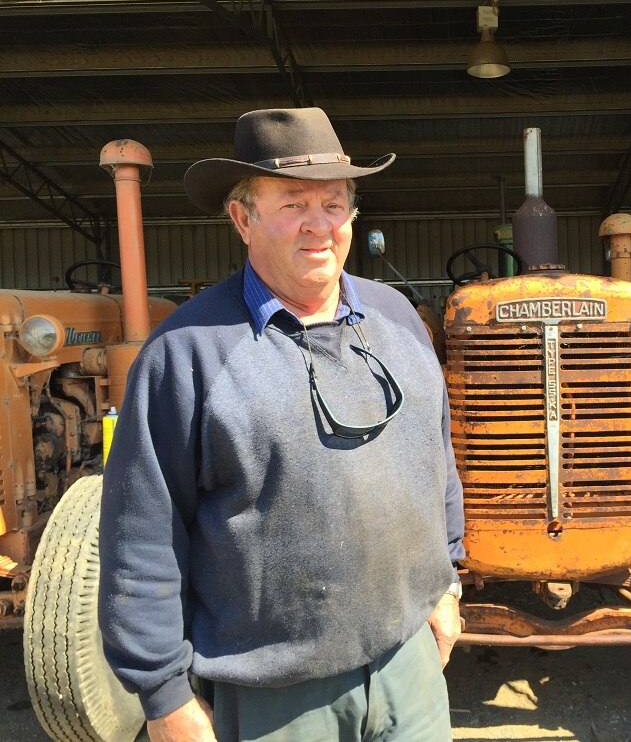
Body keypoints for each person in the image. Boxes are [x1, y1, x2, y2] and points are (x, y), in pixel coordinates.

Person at [99, 107, 466, 742]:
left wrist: (447, 583)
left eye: (334, 202)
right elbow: (142, 538)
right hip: (275, 699)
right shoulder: (187, 353)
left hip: (411, 670)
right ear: (243, 218)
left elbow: (434, 460)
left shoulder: (398, 318)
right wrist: (163, 696)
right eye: (294, 202)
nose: (320, 224)